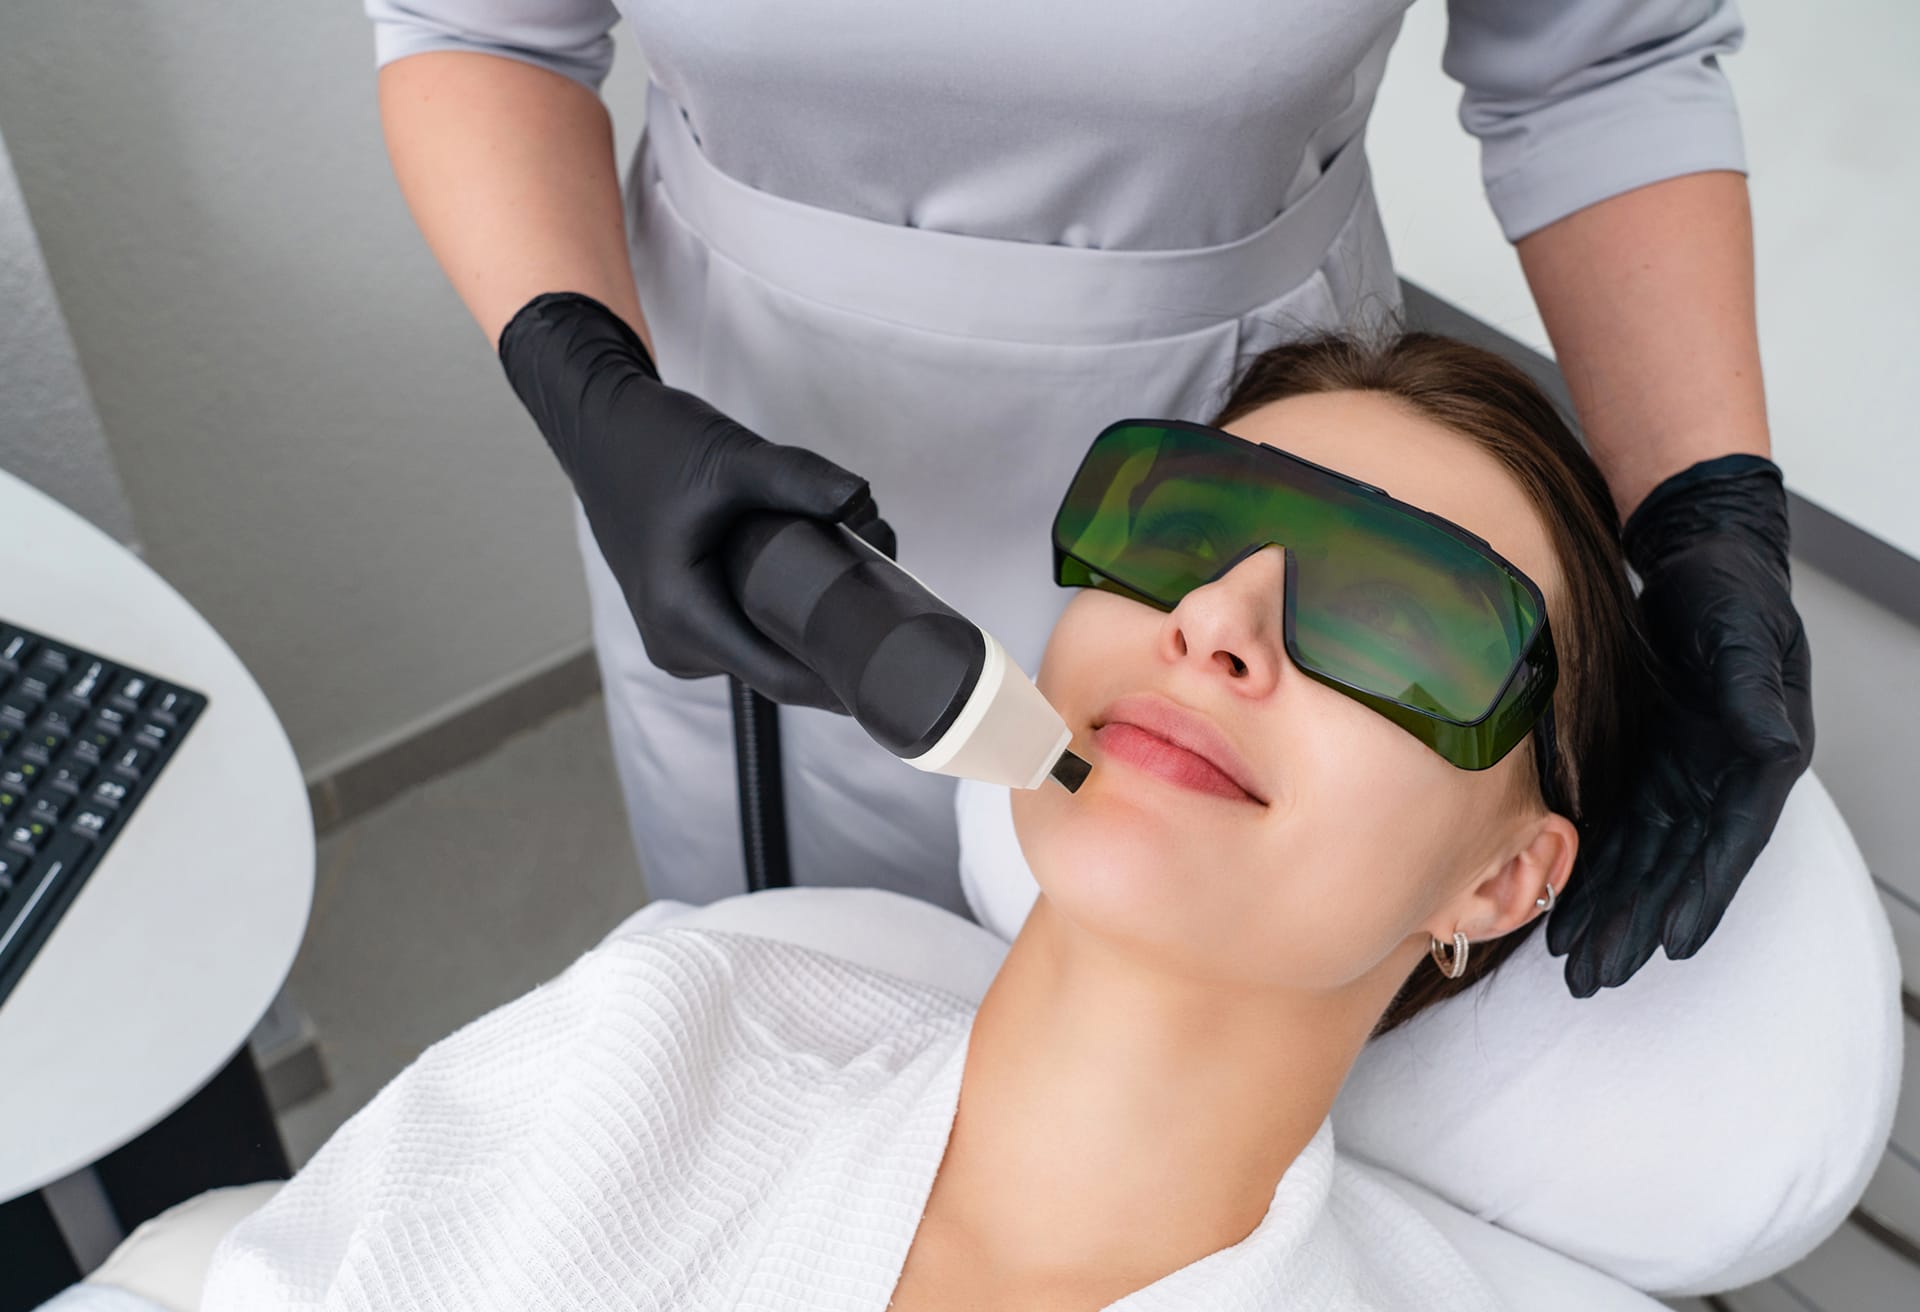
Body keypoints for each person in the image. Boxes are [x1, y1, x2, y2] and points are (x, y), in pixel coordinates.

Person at [365, 0, 1812, 996]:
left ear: (1496, 892)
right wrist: (587, 386)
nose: (1212, 640)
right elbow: (477, 27)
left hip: (1243, 422)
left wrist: (1709, 513)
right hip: (741, 461)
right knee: (798, 973)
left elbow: (1595, 65)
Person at [197, 332, 1670, 1308]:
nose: (1219, 619)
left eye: (1400, 618)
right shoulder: (671, 1040)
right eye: (1184, 529)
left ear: (1501, 880)